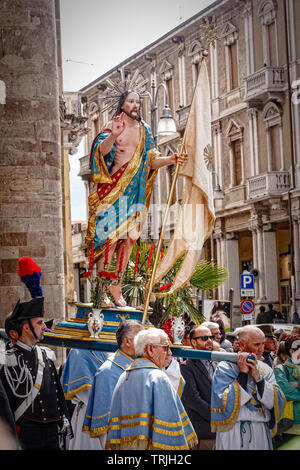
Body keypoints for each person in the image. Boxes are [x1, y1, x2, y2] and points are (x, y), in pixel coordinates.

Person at [85, 89, 188, 307]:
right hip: (114, 192)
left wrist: (171, 159)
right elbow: (100, 154)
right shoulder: (113, 126)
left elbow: (151, 160)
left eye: (138, 102)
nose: (135, 105)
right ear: (122, 104)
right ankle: (102, 290)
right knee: (111, 242)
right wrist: (113, 135)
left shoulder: (145, 130)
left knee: (130, 239)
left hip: (136, 193)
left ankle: (117, 285)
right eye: (131, 101)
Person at [105, 328, 197, 450]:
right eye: (165, 347)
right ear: (150, 349)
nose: (169, 353)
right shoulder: (158, 377)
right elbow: (168, 427)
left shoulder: (124, 375)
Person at [0, 297, 70, 450]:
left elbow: (56, 390)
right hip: (25, 433)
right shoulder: (4, 358)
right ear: (25, 328)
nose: (45, 326)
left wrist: (64, 417)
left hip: (52, 432)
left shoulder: (46, 355)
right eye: (39, 323)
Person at [211, 325, 285, 450]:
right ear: (242, 345)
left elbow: (276, 402)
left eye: (263, 344)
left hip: (260, 430)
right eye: (257, 345)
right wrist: (242, 374)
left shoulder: (265, 369)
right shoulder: (224, 368)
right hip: (232, 431)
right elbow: (223, 402)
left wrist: (257, 377)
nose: (261, 349)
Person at [83, 319, 144, 448]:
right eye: (141, 338)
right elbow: (106, 426)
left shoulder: (138, 365)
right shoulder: (108, 372)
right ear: (127, 341)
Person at [61, 348, 109, 450]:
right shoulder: (78, 351)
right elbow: (84, 392)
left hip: (105, 409)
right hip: (89, 411)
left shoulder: (103, 349)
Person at [180, 325, 216, 450]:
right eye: (205, 338)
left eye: (212, 337)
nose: (210, 341)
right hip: (202, 433)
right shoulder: (186, 366)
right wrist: (216, 416)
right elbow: (193, 399)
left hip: (219, 432)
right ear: (193, 342)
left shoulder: (216, 363)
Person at [274, 334, 300, 432]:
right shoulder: (280, 370)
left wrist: (297, 385)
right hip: (291, 423)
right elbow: (286, 393)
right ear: (292, 352)